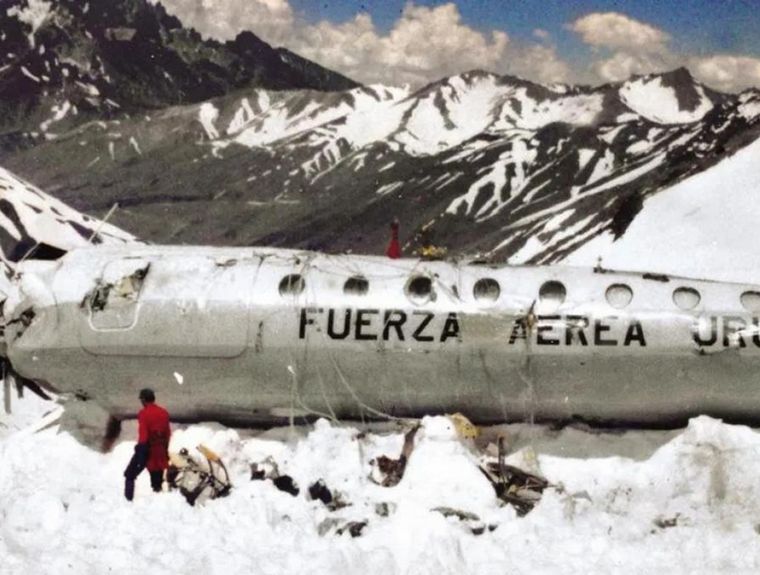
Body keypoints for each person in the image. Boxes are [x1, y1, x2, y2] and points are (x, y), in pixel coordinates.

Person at [124, 388, 171, 501]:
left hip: (147, 449)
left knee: (130, 474)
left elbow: (143, 434)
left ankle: (127, 501)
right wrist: (165, 450)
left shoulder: (143, 413)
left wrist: (140, 452)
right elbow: (168, 433)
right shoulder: (164, 412)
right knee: (157, 481)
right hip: (160, 451)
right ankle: (158, 500)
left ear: (144, 400)